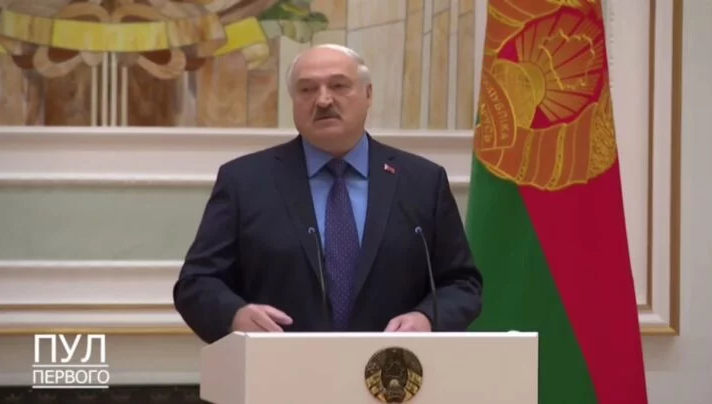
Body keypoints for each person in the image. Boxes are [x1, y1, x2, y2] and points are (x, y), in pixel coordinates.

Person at [173, 44, 483, 344]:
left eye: (338, 85)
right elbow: (197, 282)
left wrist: (427, 318)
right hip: (280, 369)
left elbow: (461, 284)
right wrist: (235, 316)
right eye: (307, 90)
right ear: (294, 101)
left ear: (368, 94)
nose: (323, 100)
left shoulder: (422, 182)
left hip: (395, 369)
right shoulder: (245, 181)